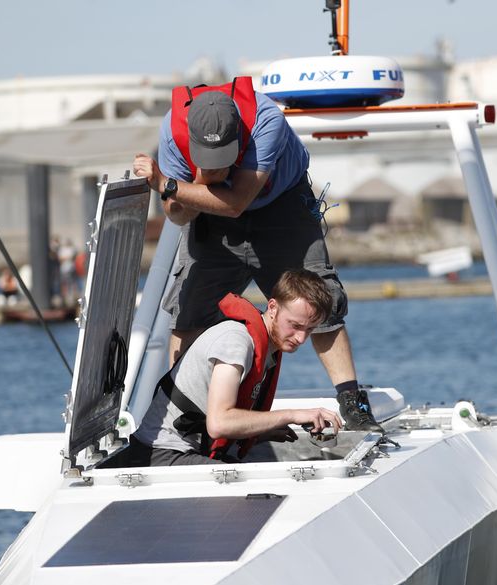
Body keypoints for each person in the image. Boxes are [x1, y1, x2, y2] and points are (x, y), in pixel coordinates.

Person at [132, 76, 382, 432]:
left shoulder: (266, 120)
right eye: (208, 158)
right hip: (209, 216)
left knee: (320, 300)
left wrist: (171, 185)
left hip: (280, 206)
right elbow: (179, 215)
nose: (217, 166)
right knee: (189, 310)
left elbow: (236, 202)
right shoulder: (173, 134)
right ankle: (179, 414)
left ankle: (354, 405)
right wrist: (194, 185)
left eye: (223, 159)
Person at [129, 269, 344, 466]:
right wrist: (292, 415)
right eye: (295, 326)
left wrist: (262, 431)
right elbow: (219, 423)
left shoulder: (269, 346)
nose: (301, 338)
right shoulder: (236, 341)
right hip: (161, 452)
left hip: (190, 448)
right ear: (273, 307)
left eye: (310, 329)